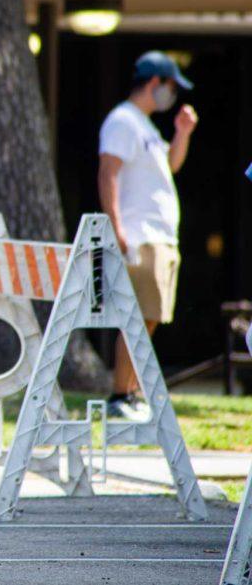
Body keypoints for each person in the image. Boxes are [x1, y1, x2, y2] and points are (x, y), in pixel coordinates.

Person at [98, 51, 198, 420]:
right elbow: (108, 172)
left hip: (160, 237)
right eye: (172, 87)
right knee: (138, 317)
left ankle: (132, 391)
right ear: (155, 83)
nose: (173, 95)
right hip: (140, 237)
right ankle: (121, 394)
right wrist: (118, 228)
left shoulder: (145, 125)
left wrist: (182, 133)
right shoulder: (123, 120)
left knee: (149, 317)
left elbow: (170, 166)